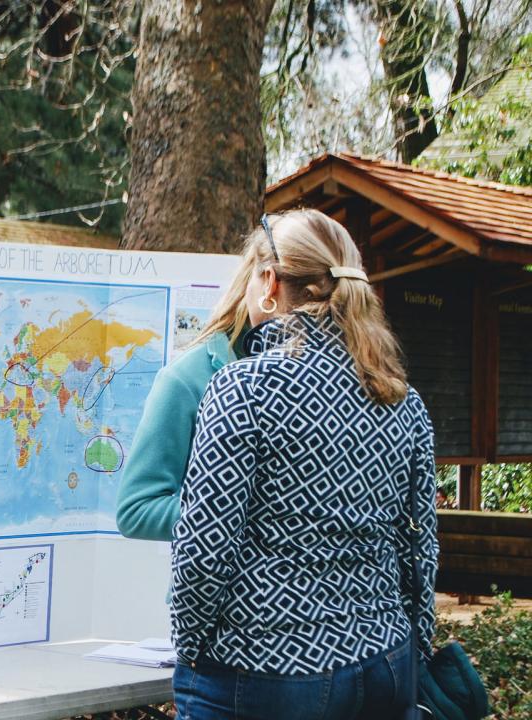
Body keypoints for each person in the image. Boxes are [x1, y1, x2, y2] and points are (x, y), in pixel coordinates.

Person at [169, 209, 438, 719]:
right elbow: (419, 548)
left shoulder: (243, 388)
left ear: (269, 283)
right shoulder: (402, 400)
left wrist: (192, 648)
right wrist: (412, 652)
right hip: (385, 659)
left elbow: (204, 551)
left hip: (264, 666)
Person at [116, 241, 257, 541]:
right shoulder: (186, 378)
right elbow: (136, 511)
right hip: (216, 583)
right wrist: (243, 511)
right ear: (268, 285)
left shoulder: (341, 377)